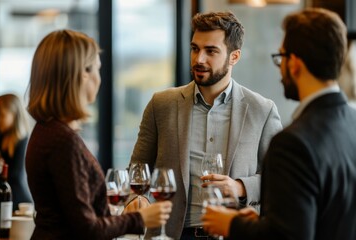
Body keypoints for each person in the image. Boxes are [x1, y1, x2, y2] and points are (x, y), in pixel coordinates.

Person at [201, 8, 356, 240]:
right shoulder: (352, 123)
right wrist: (264, 223)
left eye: (280, 57)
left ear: (294, 64)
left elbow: (287, 236)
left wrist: (233, 225)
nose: (280, 68)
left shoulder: (293, 143)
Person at [125, 11, 283, 239]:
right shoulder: (161, 104)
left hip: (233, 233)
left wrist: (240, 187)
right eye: (195, 48)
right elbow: (138, 170)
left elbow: (278, 182)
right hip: (171, 235)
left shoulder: (262, 110)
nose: (199, 59)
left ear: (234, 57)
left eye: (211, 51)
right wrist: (136, 198)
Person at [25, 29, 172, 240]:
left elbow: (70, 212)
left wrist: (109, 214)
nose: (100, 78)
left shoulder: (47, 130)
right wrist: (141, 218)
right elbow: (87, 229)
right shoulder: (63, 141)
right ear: (82, 73)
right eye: (97, 69)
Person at [0, 93, 33, 210]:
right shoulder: (0, 137)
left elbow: (14, 175)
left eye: (1, 115)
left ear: (15, 114)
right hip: (4, 195)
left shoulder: (23, 140)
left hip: (17, 198)